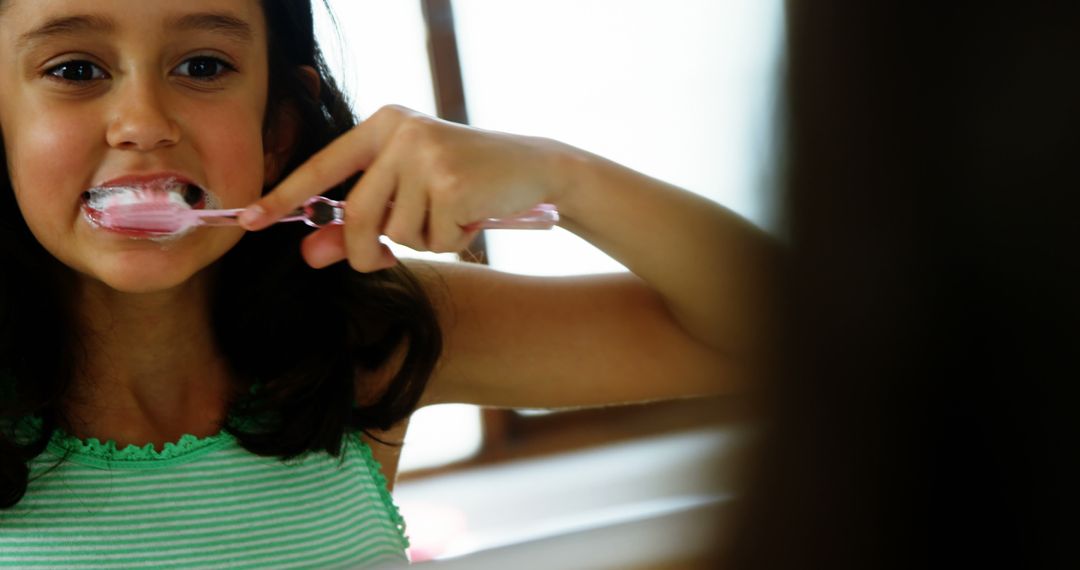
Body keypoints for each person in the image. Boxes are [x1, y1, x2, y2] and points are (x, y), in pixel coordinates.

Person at [0, 0, 774, 567]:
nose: (144, 120)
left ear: (277, 136)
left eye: (203, 65)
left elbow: (798, 335)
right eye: (74, 70)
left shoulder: (368, 339)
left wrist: (563, 176)